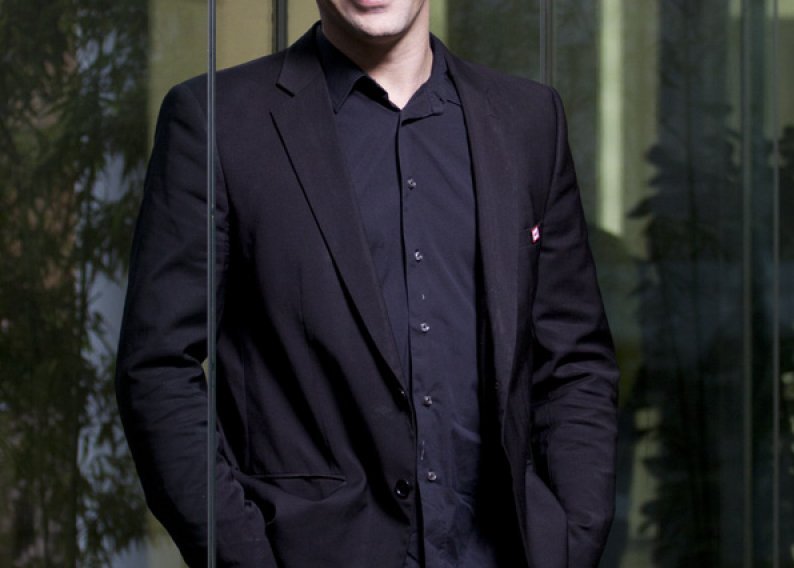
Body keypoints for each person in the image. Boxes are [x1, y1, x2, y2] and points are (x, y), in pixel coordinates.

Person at [115, 1, 619, 566]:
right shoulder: (217, 120)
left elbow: (574, 360)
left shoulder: (529, 120)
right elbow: (158, 369)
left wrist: (571, 541)